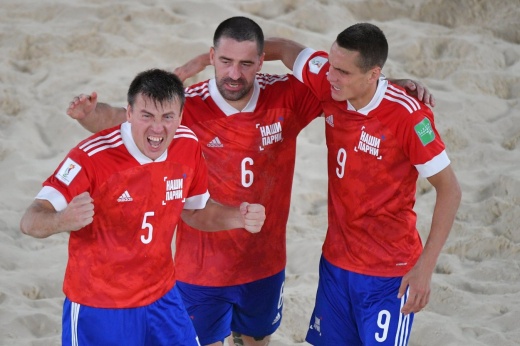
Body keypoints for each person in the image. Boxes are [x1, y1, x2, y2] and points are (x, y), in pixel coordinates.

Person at [66, 17, 435, 346]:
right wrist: (89, 114)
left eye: (245, 63)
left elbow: (345, 88)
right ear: (212, 58)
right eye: (224, 61)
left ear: (261, 62)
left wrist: (390, 84)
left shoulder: (287, 96)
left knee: (257, 341)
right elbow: (125, 120)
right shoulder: (188, 106)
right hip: (200, 270)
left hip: (264, 265)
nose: (234, 73)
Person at [19, 68, 266, 346]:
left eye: (167, 117)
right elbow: (30, 220)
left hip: (162, 299)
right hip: (100, 307)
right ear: (129, 113)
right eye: (146, 116)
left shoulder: (187, 145)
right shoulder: (90, 158)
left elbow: (196, 211)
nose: (157, 129)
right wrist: (62, 220)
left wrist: (238, 216)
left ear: (181, 117)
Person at [263, 23, 462, 345]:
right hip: (335, 265)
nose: (331, 77)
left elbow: (450, 191)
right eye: (331, 65)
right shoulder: (331, 82)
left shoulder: (410, 116)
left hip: (388, 274)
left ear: (373, 75)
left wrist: (425, 269)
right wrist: (215, 60)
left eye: (342, 72)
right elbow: (284, 48)